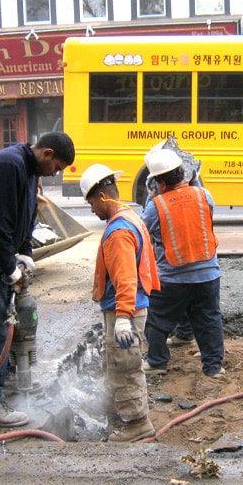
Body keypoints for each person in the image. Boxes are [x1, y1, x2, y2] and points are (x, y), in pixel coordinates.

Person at [0, 132, 75, 427]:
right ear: (47, 153)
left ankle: (3, 378)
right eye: (57, 166)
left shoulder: (29, 170)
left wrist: (26, 253)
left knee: (8, 320)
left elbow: (26, 217)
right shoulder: (9, 165)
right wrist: (10, 269)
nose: (55, 173)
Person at [80, 163, 160, 443]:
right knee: (115, 361)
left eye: (91, 203)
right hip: (130, 307)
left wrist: (123, 316)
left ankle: (138, 423)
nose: (91, 209)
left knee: (125, 365)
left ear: (102, 197)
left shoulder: (117, 232)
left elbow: (125, 278)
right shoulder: (130, 217)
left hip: (124, 310)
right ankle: (114, 406)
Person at [140, 148, 226, 379]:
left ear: (160, 183)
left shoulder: (156, 206)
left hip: (172, 277)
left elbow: (142, 231)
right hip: (208, 273)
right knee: (208, 317)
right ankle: (213, 367)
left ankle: (157, 362)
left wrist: (151, 197)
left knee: (156, 318)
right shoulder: (204, 195)